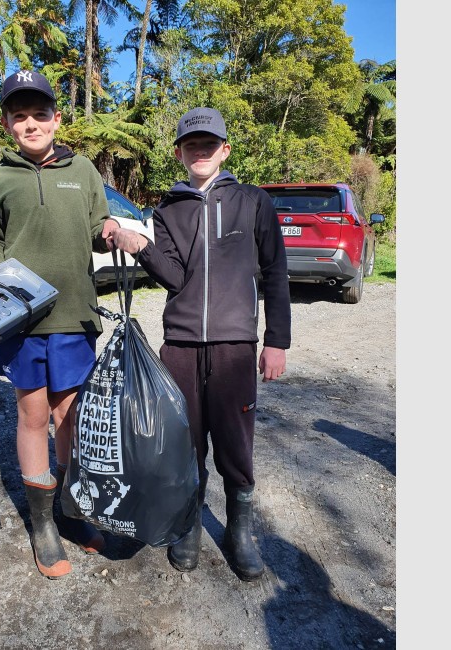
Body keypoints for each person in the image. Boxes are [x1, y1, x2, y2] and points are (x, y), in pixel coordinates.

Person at [110, 107, 290, 581]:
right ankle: (188, 523)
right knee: (186, 442)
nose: (201, 151)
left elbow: (275, 274)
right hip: (182, 346)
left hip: (235, 347)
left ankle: (240, 531)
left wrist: (277, 341)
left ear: (225, 149)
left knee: (235, 443)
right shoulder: (167, 209)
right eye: (192, 145)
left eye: (209, 144)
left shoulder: (253, 201)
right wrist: (140, 245)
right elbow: (174, 276)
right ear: (179, 153)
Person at [0, 69, 120, 579]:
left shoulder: (83, 172)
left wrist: (109, 231)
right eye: (20, 116)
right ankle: (42, 524)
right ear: (9, 123)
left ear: (58, 119)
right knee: (34, 415)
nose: (31, 123)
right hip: (19, 318)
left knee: (71, 418)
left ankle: (69, 508)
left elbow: (97, 228)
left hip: (75, 314)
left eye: (40, 114)